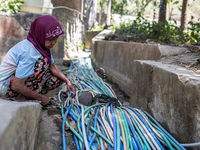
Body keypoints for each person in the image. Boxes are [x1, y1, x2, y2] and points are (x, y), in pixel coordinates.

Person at [0, 15, 76, 106]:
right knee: (41, 62)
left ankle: (29, 95)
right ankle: (19, 98)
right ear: (40, 35)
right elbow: (17, 85)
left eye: (56, 39)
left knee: (57, 79)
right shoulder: (30, 52)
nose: (53, 43)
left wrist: (68, 82)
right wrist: (40, 97)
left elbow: (52, 66)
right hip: (6, 86)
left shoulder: (41, 47)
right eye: (50, 40)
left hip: (18, 82)